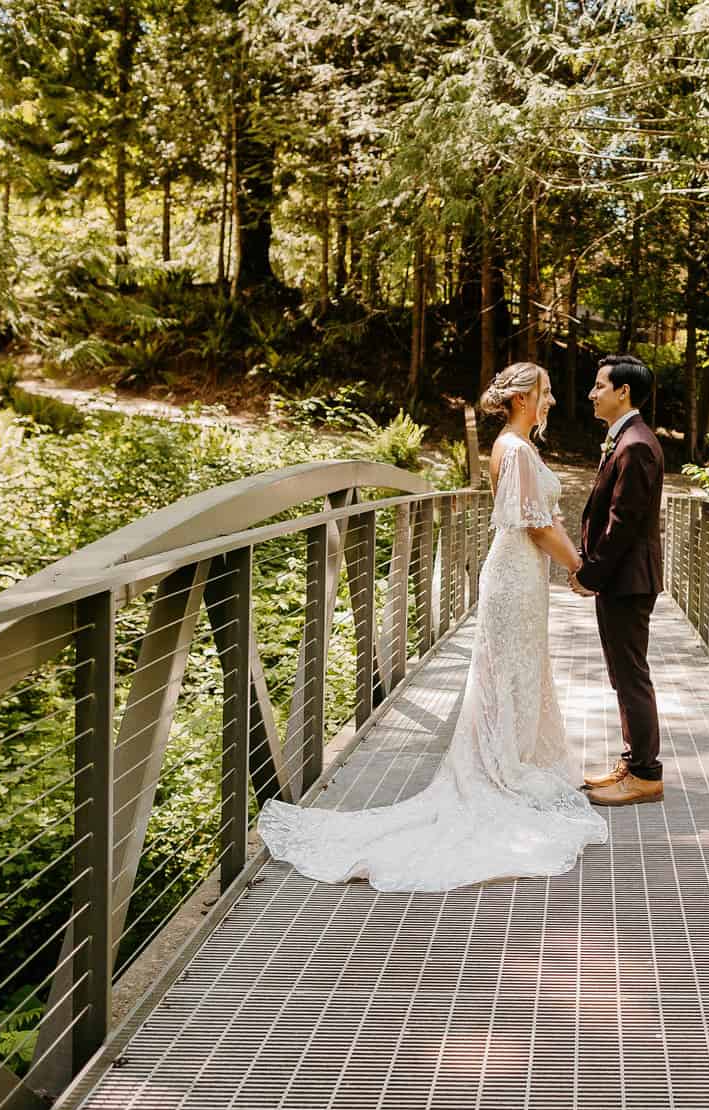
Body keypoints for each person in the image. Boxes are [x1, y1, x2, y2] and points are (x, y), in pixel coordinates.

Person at [255, 362, 608, 891]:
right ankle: (498, 769)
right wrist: (580, 567)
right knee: (505, 673)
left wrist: (573, 560)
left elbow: (545, 518)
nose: (552, 400)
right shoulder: (513, 450)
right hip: (513, 577)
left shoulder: (519, 448)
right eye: (545, 392)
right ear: (519, 400)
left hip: (526, 579)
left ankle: (509, 759)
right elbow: (534, 524)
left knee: (518, 672)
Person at [570, 355, 666, 807]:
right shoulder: (626, 439)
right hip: (620, 580)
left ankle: (647, 775)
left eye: (599, 385)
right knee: (622, 674)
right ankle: (632, 761)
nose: (592, 393)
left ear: (623, 392)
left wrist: (591, 574)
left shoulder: (636, 446)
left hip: (628, 580)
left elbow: (621, 523)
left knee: (631, 676)